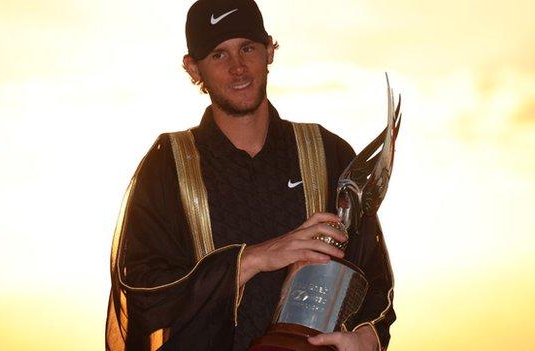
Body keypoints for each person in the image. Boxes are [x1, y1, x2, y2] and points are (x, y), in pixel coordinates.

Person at [106, 0, 395, 350]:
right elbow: (141, 292)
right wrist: (254, 259)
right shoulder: (168, 163)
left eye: (247, 48)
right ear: (193, 68)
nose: (238, 68)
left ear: (270, 50)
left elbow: (373, 276)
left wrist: (369, 338)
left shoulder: (327, 151)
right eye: (218, 55)